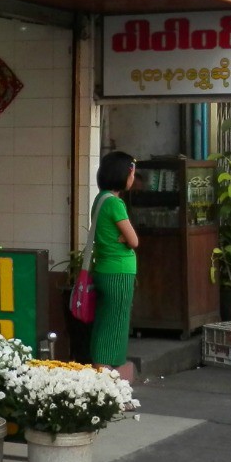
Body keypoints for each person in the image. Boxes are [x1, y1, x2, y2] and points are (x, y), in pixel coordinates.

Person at [89, 150, 139, 381]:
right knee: (116, 328)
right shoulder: (116, 204)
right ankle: (108, 384)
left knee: (104, 324)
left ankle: (105, 380)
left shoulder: (100, 200)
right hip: (118, 272)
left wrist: (120, 237)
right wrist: (124, 238)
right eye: (132, 173)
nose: (133, 178)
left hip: (103, 270)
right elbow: (134, 240)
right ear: (124, 174)